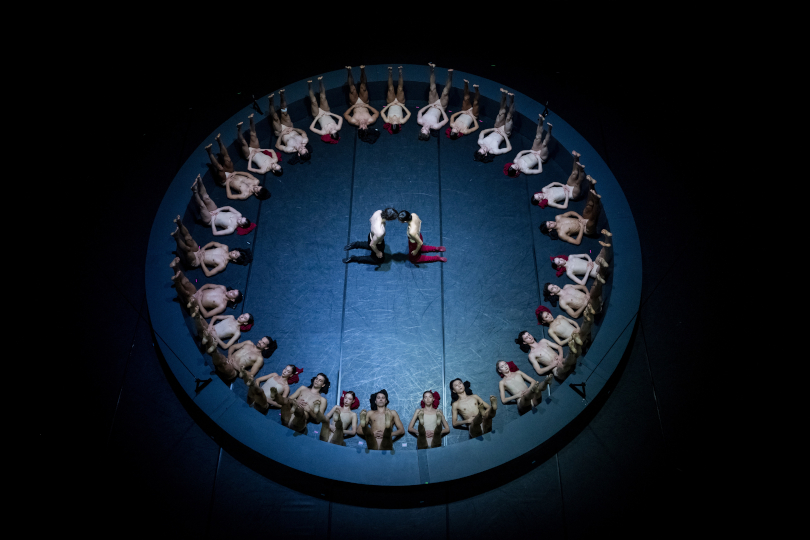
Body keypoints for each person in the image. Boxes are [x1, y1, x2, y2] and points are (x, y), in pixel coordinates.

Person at [170, 220, 252, 276]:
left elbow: (208, 274)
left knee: (188, 250)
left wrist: (201, 261)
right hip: (199, 250)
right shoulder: (225, 247)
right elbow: (213, 243)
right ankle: (179, 223)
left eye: (235, 255)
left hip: (197, 260)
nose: (233, 252)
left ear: (234, 260)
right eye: (235, 251)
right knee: (190, 239)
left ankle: (176, 237)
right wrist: (203, 248)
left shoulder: (223, 264)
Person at [170, 266, 242, 318]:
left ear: (232, 299)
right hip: (197, 292)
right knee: (188, 284)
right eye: (233, 290)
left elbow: (206, 315)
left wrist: (199, 301)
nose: (231, 291)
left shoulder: (222, 306)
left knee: (187, 293)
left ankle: (176, 281)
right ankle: (176, 267)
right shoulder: (222, 287)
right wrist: (200, 290)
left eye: (233, 294)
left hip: (195, 302)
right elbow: (208, 285)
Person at [268, 90, 312, 163]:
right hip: (289, 126)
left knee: (275, 117)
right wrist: (293, 128)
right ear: (307, 149)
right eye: (304, 148)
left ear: (298, 154)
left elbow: (277, 146)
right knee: (284, 113)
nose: (301, 147)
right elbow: (302, 132)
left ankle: (271, 102)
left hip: (280, 132)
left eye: (300, 150)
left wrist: (282, 133)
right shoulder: (305, 140)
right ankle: (282, 96)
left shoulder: (289, 149)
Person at [342, 66, 380, 143]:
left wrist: (353, 107)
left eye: (361, 127)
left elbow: (345, 114)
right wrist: (367, 106)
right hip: (364, 102)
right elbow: (377, 113)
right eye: (365, 127)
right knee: (363, 87)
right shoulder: (371, 120)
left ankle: (349, 71)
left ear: (359, 128)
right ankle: (362, 70)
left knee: (352, 89)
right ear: (367, 128)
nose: (363, 125)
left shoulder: (353, 121)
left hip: (354, 103)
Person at [474, 90, 514, 161]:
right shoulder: (495, 151)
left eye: (481, 149)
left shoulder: (480, 142)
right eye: (484, 150)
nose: (483, 148)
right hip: (505, 132)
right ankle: (511, 99)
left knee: (501, 112)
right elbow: (509, 148)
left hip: (496, 127)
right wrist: (504, 136)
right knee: (508, 117)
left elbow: (482, 132)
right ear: (486, 154)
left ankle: (503, 95)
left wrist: (493, 129)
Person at [416, 64, 453, 140]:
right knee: (445, 92)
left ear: (421, 129)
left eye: (423, 129)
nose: (425, 128)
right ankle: (450, 75)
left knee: (432, 88)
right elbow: (446, 120)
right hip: (441, 107)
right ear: (429, 132)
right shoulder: (435, 126)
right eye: (426, 130)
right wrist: (441, 108)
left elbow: (420, 111)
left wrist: (430, 105)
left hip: (432, 104)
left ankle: (431, 70)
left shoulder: (420, 121)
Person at [307, 77, 343, 143]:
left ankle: (309, 86)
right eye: (334, 129)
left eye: (331, 130)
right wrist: (331, 114)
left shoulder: (323, 132)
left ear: (329, 134)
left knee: (314, 101)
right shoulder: (338, 127)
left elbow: (311, 128)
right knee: (323, 97)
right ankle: (320, 81)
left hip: (318, 114)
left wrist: (317, 118)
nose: (332, 128)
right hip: (326, 111)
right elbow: (340, 118)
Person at [380, 67, 411, 134]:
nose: (395, 121)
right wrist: (401, 105)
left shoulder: (387, 120)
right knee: (400, 88)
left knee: (391, 88)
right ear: (398, 125)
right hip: (400, 103)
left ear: (391, 125)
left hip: (391, 103)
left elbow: (382, 112)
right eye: (396, 123)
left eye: (393, 122)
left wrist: (389, 105)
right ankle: (400, 72)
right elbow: (409, 114)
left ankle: (390, 72)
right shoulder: (402, 121)